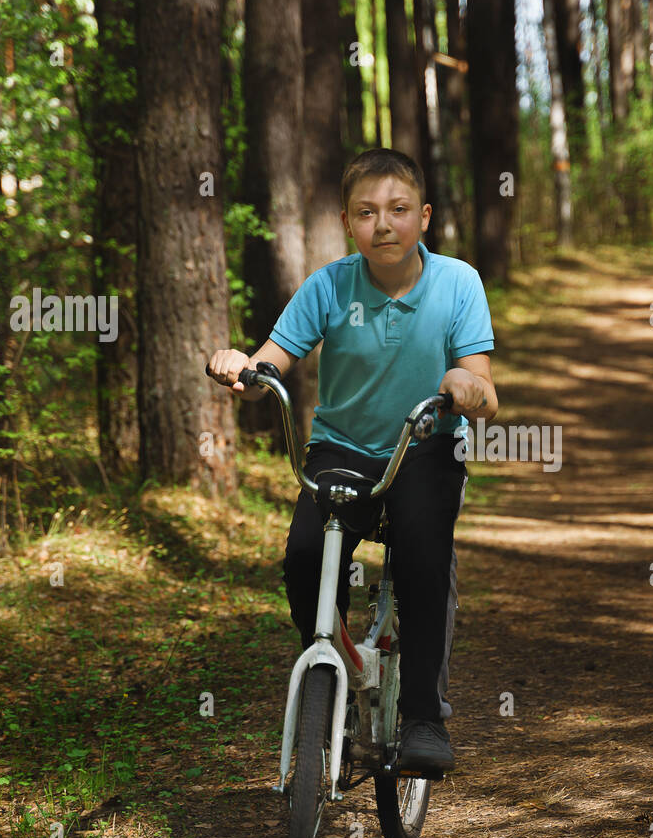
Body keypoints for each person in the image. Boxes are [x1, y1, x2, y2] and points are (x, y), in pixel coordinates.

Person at [207, 148, 498, 773]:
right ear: (347, 221)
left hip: (424, 445)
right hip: (343, 448)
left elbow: (484, 388)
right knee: (306, 555)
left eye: (397, 210)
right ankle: (332, 678)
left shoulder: (458, 282)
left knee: (423, 556)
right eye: (367, 212)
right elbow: (272, 358)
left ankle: (424, 716)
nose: (383, 224)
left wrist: (467, 386)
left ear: (422, 216)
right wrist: (242, 366)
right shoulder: (330, 285)